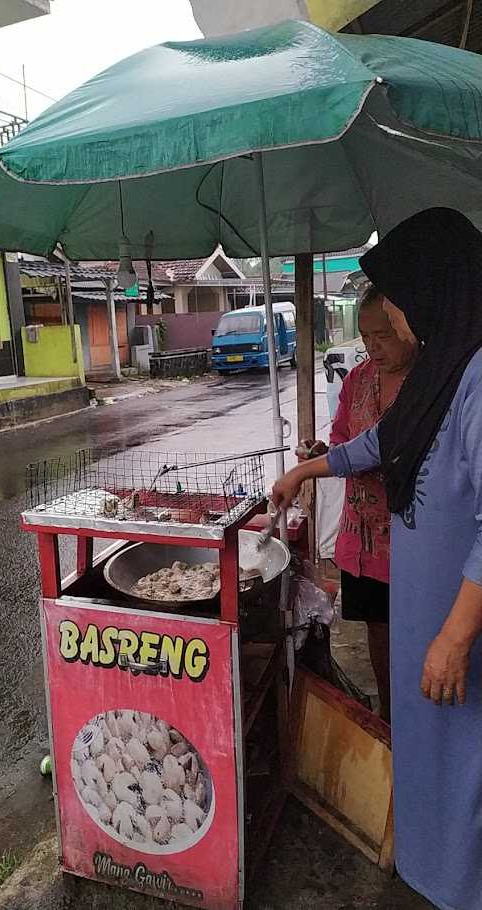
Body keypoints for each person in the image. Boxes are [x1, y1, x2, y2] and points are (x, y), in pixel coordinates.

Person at [273, 208, 482, 910]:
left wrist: (455, 637)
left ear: (436, 284)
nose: (390, 313)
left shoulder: (479, 374)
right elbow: (375, 444)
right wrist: (306, 472)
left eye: (395, 295)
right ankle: (433, 876)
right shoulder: (442, 372)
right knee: (428, 761)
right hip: (424, 622)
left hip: (458, 629)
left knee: (466, 772)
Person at [301, 286, 417, 722]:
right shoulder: (358, 380)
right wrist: (318, 456)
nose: (373, 347)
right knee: (379, 631)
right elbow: (342, 443)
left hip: (411, 535)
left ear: (407, 325)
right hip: (363, 540)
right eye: (365, 336)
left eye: (383, 335)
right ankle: (390, 719)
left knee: (420, 632)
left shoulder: (429, 382)